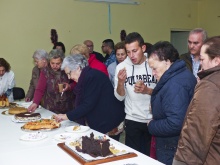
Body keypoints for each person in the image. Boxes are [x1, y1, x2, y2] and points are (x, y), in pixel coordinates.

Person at [147, 41, 196, 165]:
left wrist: (152, 125)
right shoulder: (181, 74)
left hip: (172, 146)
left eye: (154, 68)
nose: (153, 73)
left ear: (167, 62)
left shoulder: (175, 84)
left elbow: (175, 123)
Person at [173, 36, 220, 165]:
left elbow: (197, 133)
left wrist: (181, 162)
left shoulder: (211, 86)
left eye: (203, 59)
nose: (200, 63)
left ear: (216, 60)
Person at [54, 54, 125, 134]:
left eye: (69, 73)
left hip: (109, 121)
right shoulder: (87, 76)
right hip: (102, 120)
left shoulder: (92, 77)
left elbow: (87, 105)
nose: (69, 77)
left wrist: (66, 116)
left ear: (78, 68)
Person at [114, 32, 157, 155]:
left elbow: (164, 93)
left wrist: (147, 90)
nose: (131, 55)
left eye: (134, 51)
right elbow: (119, 97)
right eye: (128, 52)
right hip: (132, 120)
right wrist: (121, 83)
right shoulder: (122, 67)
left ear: (143, 48)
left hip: (153, 120)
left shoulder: (153, 63)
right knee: (134, 157)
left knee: (151, 158)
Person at [28, 49, 74, 114]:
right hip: (50, 107)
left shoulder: (67, 69)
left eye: (58, 63)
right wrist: (35, 103)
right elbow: (40, 89)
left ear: (62, 62)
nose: (55, 66)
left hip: (67, 106)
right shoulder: (45, 71)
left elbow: (76, 83)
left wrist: (69, 86)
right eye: (52, 63)